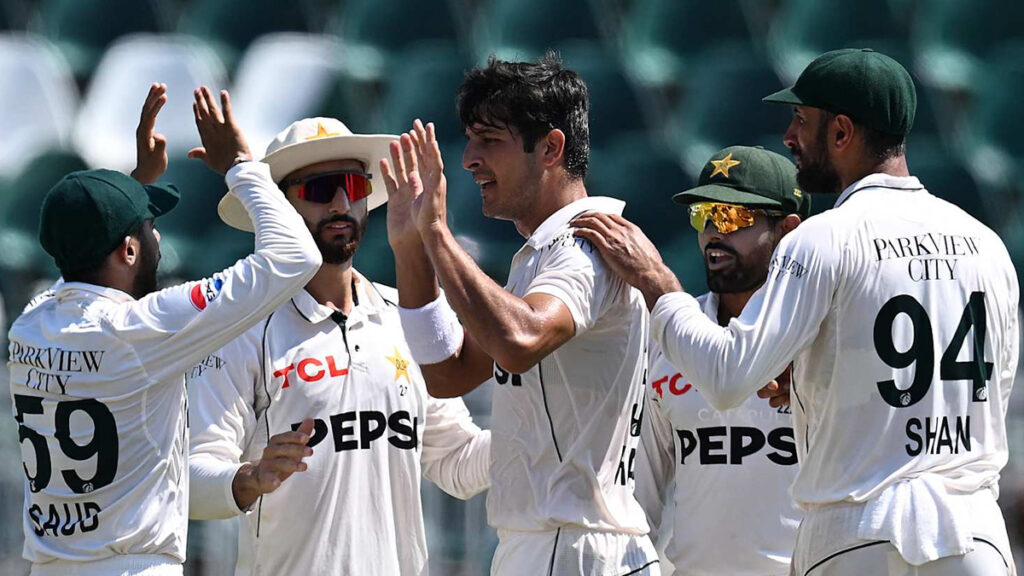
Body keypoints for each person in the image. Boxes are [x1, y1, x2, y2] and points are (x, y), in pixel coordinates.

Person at [574, 48, 1018, 576]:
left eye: (802, 120)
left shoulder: (825, 236)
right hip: (974, 536)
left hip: (861, 532)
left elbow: (727, 377)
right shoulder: (986, 243)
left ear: (842, 131)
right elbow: (992, 390)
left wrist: (658, 283)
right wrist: (811, 382)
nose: (789, 137)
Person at [7, 84, 321, 576]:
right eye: (148, 226)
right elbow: (295, 256)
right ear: (129, 250)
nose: (158, 235)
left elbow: (83, 268)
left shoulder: (29, 323)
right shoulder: (141, 330)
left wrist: (126, 192)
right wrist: (241, 164)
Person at [382, 53, 659, 575]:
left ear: (550, 147)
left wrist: (437, 232)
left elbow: (519, 341)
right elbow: (448, 374)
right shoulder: (540, 256)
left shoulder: (585, 243)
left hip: (571, 548)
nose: (469, 159)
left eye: (489, 140)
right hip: (562, 543)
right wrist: (411, 248)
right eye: (470, 140)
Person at [186, 116, 491, 576]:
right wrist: (251, 477)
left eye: (353, 185)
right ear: (279, 206)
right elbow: (190, 477)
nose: (342, 203)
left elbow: (458, 463)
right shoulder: (241, 331)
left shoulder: (405, 315)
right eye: (321, 188)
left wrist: (547, 429)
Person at [636, 146, 807, 575]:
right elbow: (640, 498)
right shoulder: (665, 336)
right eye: (704, 216)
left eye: (732, 217)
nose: (714, 233)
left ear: (787, 230)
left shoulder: (822, 337)